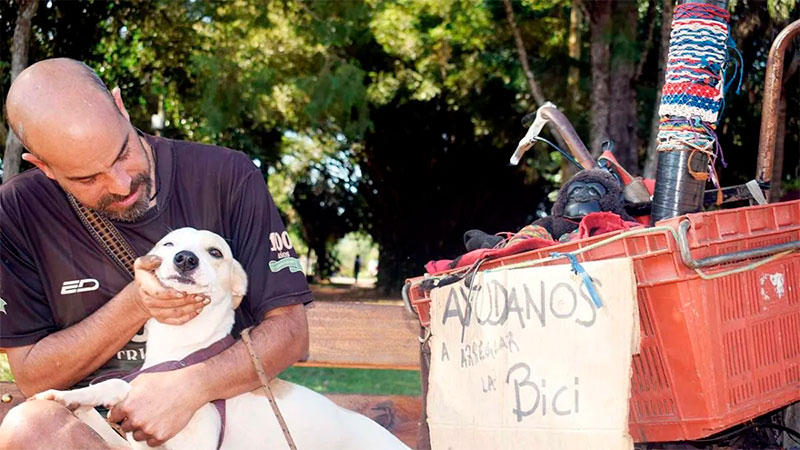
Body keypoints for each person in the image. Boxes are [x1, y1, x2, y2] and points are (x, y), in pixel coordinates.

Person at [0, 58, 312, 448]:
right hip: (98, 427)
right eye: (88, 178)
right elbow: (32, 376)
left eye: (120, 153)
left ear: (120, 106)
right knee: (28, 428)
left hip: (222, 419)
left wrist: (189, 386)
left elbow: (290, 332)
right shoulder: (19, 210)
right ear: (43, 166)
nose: (121, 183)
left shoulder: (227, 176)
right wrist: (138, 302)